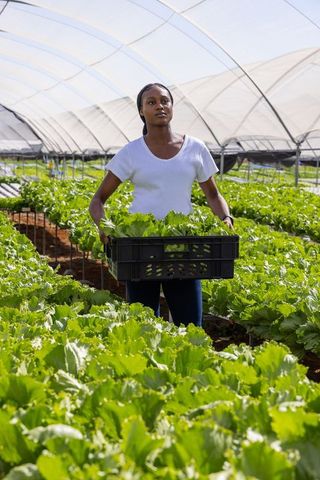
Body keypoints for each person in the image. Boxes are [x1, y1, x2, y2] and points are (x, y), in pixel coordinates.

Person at [89, 83, 234, 327]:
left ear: (172, 107)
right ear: (141, 111)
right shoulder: (131, 152)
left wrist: (226, 218)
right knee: (143, 326)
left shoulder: (195, 148)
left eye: (165, 101)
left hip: (182, 248)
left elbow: (213, 195)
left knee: (190, 326)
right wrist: (104, 227)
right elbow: (98, 200)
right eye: (151, 102)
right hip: (140, 250)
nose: (160, 106)